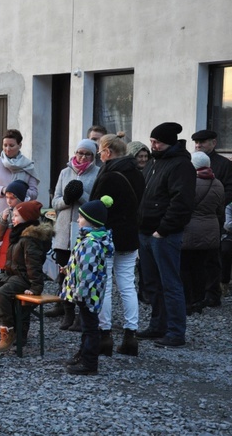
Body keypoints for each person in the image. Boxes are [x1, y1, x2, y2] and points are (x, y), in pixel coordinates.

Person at [137, 122, 195, 348]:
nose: (153, 145)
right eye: (152, 141)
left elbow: (181, 203)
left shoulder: (180, 165)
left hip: (164, 235)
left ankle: (175, 332)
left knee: (170, 284)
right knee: (152, 284)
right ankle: (157, 325)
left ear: (169, 143)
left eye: (157, 142)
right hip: (146, 232)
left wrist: (163, 229)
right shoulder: (153, 162)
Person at [91, 133, 145, 356]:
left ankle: (105, 335)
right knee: (127, 285)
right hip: (130, 235)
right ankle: (131, 334)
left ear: (108, 152)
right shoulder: (138, 174)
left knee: (104, 285)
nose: (100, 157)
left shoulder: (109, 176)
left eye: (100, 152)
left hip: (108, 236)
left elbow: (96, 208)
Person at [0, 200, 52, 353]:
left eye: (16, 215)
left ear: (27, 218)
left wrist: (36, 286)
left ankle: (8, 331)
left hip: (23, 278)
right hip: (9, 274)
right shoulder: (18, 233)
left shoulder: (30, 238)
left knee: (2, 294)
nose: (13, 218)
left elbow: (34, 264)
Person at [61, 197, 115, 375]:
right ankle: (84, 355)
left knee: (90, 328)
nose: (78, 220)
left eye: (81, 217)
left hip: (87, 294)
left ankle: (89, 363)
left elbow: (87, 273)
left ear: (91, 221)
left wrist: (80, 293)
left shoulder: (91, 243)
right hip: (87, 292)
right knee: (87, 326)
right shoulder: (88, 239)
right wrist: (69, 269)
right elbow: (82, 266)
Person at [51, 139, 100, 331]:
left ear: (93, 156)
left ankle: (82, 315)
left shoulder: (97, 173)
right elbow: (54, 201)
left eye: (87, 154)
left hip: (83, 231)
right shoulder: (65, 172)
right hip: (63, 231)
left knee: (81, 275)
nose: (83, 157)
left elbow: (95, 204)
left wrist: (80, 196)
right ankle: (67, 312)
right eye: (80, 152)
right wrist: (66, 199)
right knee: (64, 274)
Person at [191, 129, 232, 309]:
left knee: (212, 258)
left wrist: (218, 204)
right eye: (196, 142)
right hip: (193, 220)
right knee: (194, 258)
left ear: (213, 143)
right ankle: (197, 293)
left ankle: (212, 294)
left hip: (214, 219)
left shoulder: (224, 165)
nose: (198, 145)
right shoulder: (191, 162)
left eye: (202, 142)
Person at [0, 129, 39, 251]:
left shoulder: (28, 165)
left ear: (19, 145)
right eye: (5, 145)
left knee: (16, 254)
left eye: (11, 145)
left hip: (19, 219)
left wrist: (19, 193)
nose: (7, 149)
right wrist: (4, 190)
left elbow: (34, 192)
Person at [180, 152, 223, 314]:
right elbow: (220, 209)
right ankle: (199, 300)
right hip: (210, 230)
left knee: (185, 267)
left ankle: (187, 301)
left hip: (188, 230)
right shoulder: (217, 183)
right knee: (201, 267)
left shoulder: (189, 182)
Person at [220, 201, 232, 298]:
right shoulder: (231, 204)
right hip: (230, 235)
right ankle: (224, 283)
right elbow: (228, 224)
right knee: (225, 250)